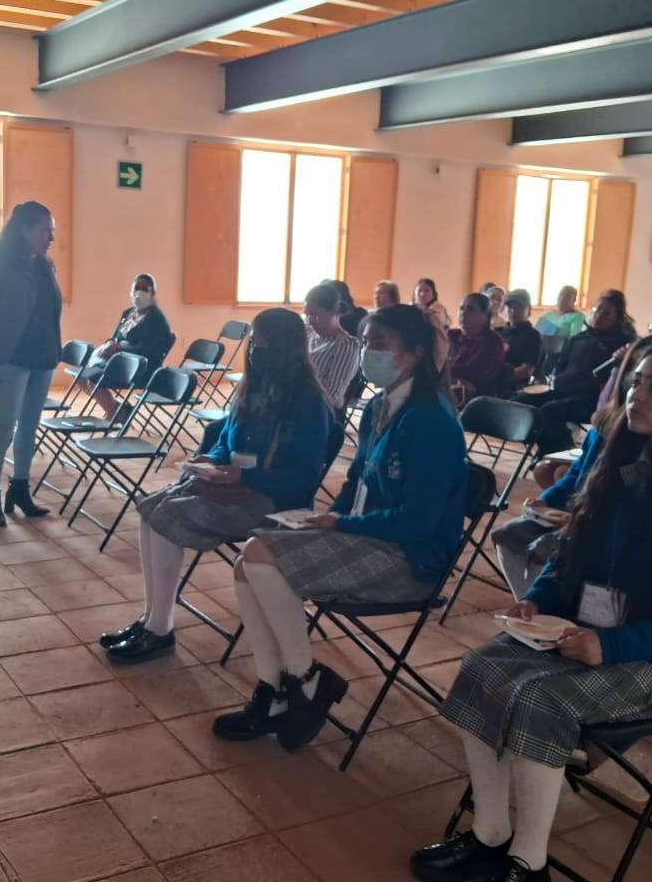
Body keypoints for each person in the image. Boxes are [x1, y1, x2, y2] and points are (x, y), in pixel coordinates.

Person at [412, 344, 652, 882]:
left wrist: (614, 645)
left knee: (538, 698)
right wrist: (541, 600)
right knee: (480, 667)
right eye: (637, 381)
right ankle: (490, 836)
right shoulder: (623, 466)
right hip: (587, 632)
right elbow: (571, 555)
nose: (637, 395)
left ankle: (527, 863)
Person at [210, 305, 466, 748]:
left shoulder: (432, 421)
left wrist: (341, 522)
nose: (368, 353)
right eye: (366, 343)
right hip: (364, 533)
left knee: (260, 556)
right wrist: (323, 521)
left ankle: (305, 682)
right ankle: (276, 690)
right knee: (245, 562)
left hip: (409, 556)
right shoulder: (378, 407)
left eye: (381, 346)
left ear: (415, 355)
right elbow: (355, 481)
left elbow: (420, 520)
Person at [100, 309, 331, 664]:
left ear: (285, 347)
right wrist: (211, 459)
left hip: (272, 499)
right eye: (254, 341)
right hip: (233, 483)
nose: (255, 349)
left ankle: (161, 628)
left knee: (168, 518)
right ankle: (151, 618)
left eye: (265, 343)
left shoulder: (309, 403)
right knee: (151, 508)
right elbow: (226, 437)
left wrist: (245, 477)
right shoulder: (254, 386)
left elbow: (302, 477)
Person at [501, 336, 652, 597]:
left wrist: (580, 522)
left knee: (554, 551)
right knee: (509, 535)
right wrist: (547, 501)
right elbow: (576, 473)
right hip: (580, 512)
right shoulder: (606, 424)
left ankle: (560, 603)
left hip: (597, 528)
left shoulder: (644, 446)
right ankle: (533, 602)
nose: (637, 394)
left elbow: (621, 506)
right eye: (635, 381)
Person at [0, 200, 62, 526]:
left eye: (52, 231)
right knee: (5, 423)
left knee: (30, 426)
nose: (50, 237)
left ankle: (20, 488)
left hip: (43, 356)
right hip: (11, 357)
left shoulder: (44, 266)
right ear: (24, 230)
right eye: (44, 230)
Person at [520, 292, 632, 456]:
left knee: (549, 411)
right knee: (522, 401)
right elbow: (560, 365)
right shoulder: (579, 338)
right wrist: (556, 380)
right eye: (596, 310)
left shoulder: (621, 344)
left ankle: (557, 453)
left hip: (589, 399)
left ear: (618, 318)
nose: (599, 316)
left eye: (606, 313)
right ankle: (552, 447)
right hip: (563, 391)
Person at [77, 273, 172, 421]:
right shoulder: (128, 313)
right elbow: (115, 337)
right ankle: (119, 411)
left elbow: (147, 350)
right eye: (136, 288)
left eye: (144, 289)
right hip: (119, 363)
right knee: (82, 377)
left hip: (141, 369)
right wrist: (109, 344)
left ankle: (113, 414)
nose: (139, 292)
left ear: (152, 293)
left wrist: (119, 349)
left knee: (94, 378)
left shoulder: (156, 319)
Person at [302, 283, 362, 465]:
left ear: (334, 312)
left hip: (322, 414)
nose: (310, 319)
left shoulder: (345, 346)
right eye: (307, 314)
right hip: (298, 404)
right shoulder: (308, 334)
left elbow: (333, 396)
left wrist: (301, 376)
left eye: (315, 315)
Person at [448, 292, 508, 400]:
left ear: (485, 316)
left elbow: (472, 372)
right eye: (461, 308)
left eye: (470, 309)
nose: (463, 313)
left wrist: (446, 373)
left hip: (480, 401)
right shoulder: (452, 335)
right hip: (450, 390)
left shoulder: (492, 342)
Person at [496, 288, 542, 386]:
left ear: (528, 310)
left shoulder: (532, 336)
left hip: (513, 385)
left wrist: (498, 379)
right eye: (509, 307)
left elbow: (527, 370)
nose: (512, 311)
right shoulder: (498, 332)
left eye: (518, 307)